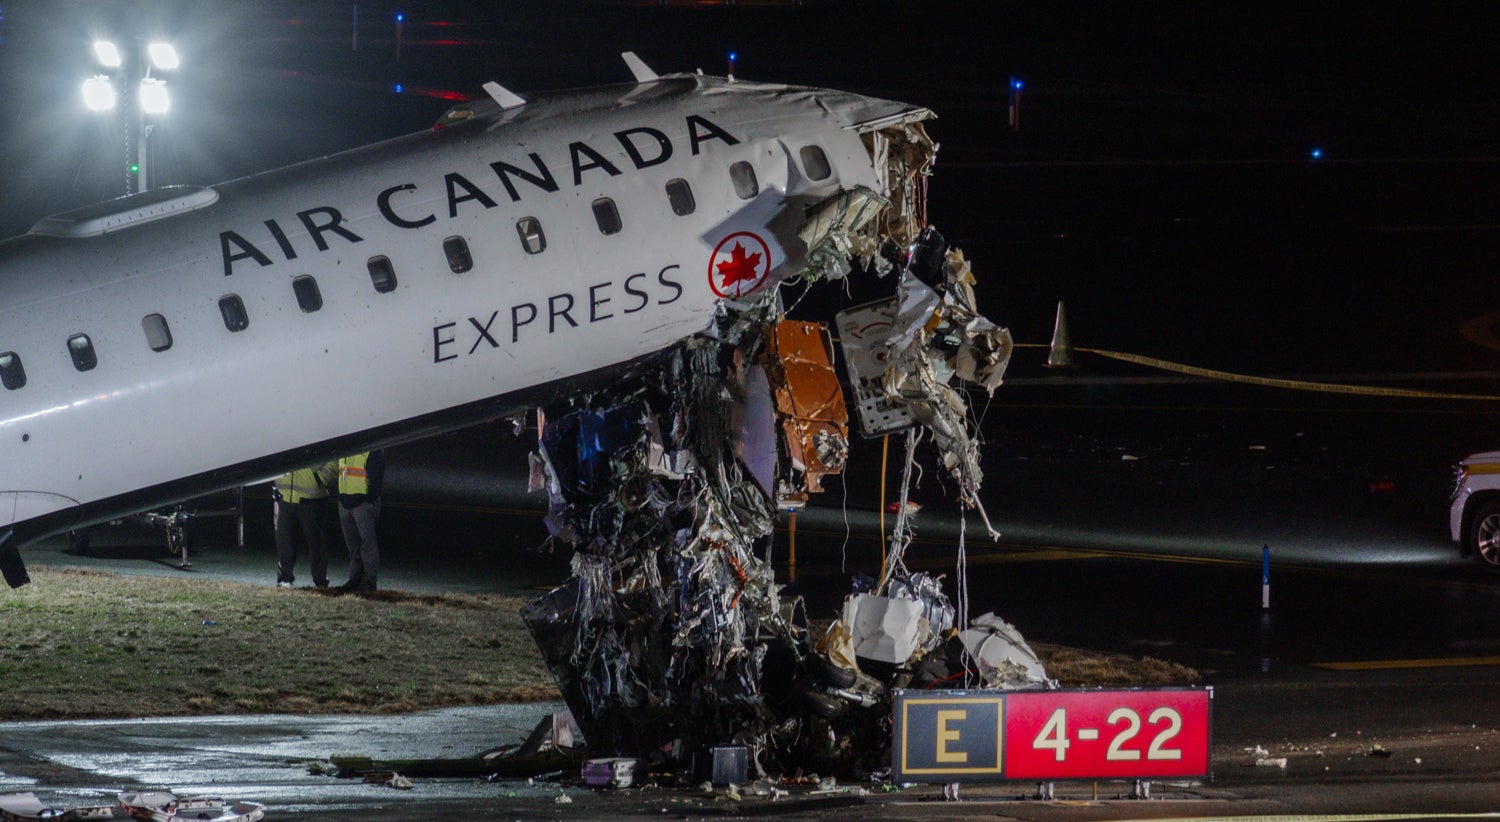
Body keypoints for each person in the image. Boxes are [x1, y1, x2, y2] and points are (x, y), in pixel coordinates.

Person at [272, 460, 337, 588]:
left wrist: (319, 479)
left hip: (312, 499)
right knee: (284, 540)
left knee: (316, 542)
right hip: (285, 496)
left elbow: (334, 459)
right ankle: (285, 578)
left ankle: (320, 580)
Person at [336, 450, 384, 592]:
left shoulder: (371, 451)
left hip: (361, 504)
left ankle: (369, 581)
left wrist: (370, 500)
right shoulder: (346, 449)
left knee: (367, 544)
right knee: (353, 546)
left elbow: (377, 477)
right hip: (346, 502)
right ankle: (355, 579)